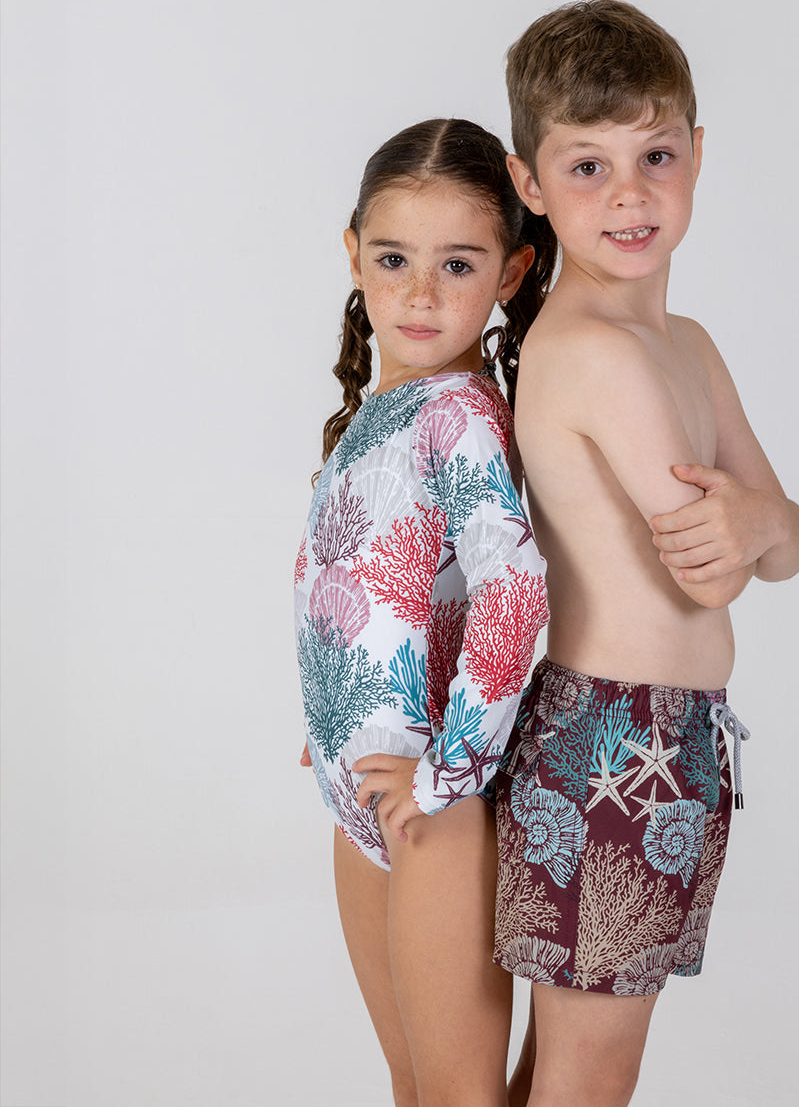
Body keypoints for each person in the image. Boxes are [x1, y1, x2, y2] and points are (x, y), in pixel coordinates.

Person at [491, 0, 799, 1107]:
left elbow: (784, 538)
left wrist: (765, 522)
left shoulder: (683, 344)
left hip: (673, 738)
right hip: (613, 741)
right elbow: (719, 566)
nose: (629, 194)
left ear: (696, 156)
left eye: (655, 155)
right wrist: (756, 528)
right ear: (528, 182)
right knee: (589, 1076)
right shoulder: (589, 352)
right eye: (586, 165)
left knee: (568, 1067)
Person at [294, 118, 553, 1107]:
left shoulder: (458, 414)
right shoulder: (384, 404)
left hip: (435, 807)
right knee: (410, 1084)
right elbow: (362, 589)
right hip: (360, 785)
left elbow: (513, 585)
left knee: (454, 1094)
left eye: (458, 264)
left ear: (512, 271)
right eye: (395, 258)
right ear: (353, 249)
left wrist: (451, 768)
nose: (416, 291)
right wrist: (329, 721)